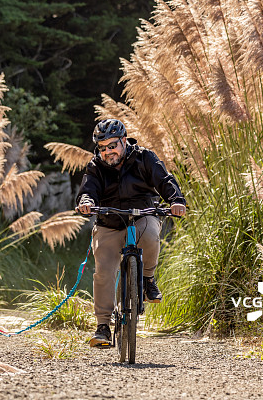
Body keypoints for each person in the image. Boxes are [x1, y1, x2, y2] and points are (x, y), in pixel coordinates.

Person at [76, 119, 186, 347]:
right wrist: (86, 202)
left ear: (124, 140)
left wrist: (176, 200)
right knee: (104, 270)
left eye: (112, 145)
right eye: (102, 147)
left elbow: (164, 180)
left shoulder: (145, 157)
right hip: (109, 220)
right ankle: (103, 326)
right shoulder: (95, 166)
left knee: (150, 235)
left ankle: (147, 280)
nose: (108, 151)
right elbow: (88, 190)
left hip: (143, 213)